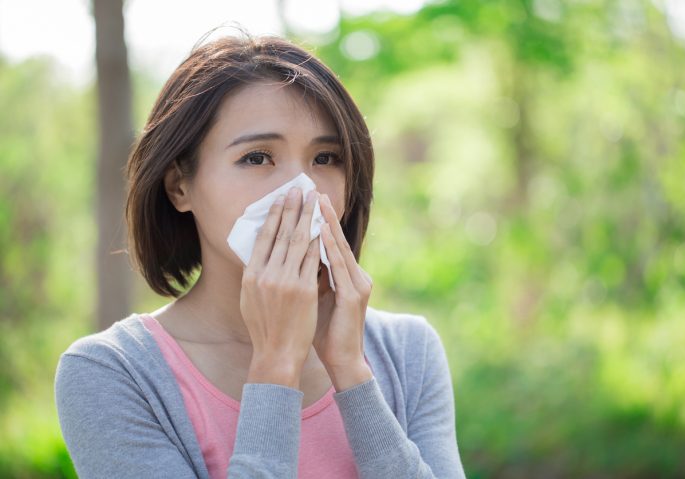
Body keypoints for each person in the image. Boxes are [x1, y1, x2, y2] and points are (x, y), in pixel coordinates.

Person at [54, 31, 465, 479]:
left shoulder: (407, 351)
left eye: (325, 157)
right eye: (257, 158)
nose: (301, 189)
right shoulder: (110, 374)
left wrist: (351, 371)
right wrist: (275, 367)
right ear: (180, 186)